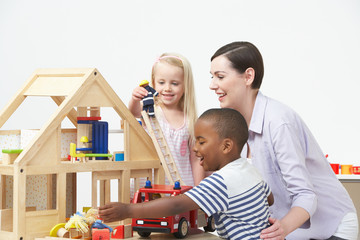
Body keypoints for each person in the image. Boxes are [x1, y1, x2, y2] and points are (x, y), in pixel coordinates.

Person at [209, 41, 358, 240]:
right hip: (295, 229)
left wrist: (281, 229)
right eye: (212, 77)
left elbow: (306, 195)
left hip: (331, 227)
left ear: (248, 76)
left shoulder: (278, 122)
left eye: (220, 76)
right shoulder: (238, 126)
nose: (212, 85)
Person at [99, 108, 274, 240]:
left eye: (201, 141)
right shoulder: (250, 170)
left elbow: (176, 205)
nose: (195, 148)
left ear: (226, 146)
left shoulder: (222, 182)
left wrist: (128, 210)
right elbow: (269, 198)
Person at [128, 53, 204, 186]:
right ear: (153, 83)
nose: (167, 88)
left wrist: (200, 189)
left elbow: (196, 159)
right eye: (161, 82)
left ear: (185, 86)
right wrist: (135, 99)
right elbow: (133, 113)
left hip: (182, 185)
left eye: (174, 83)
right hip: (151, 184)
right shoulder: (150, 109)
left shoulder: (190, 119)